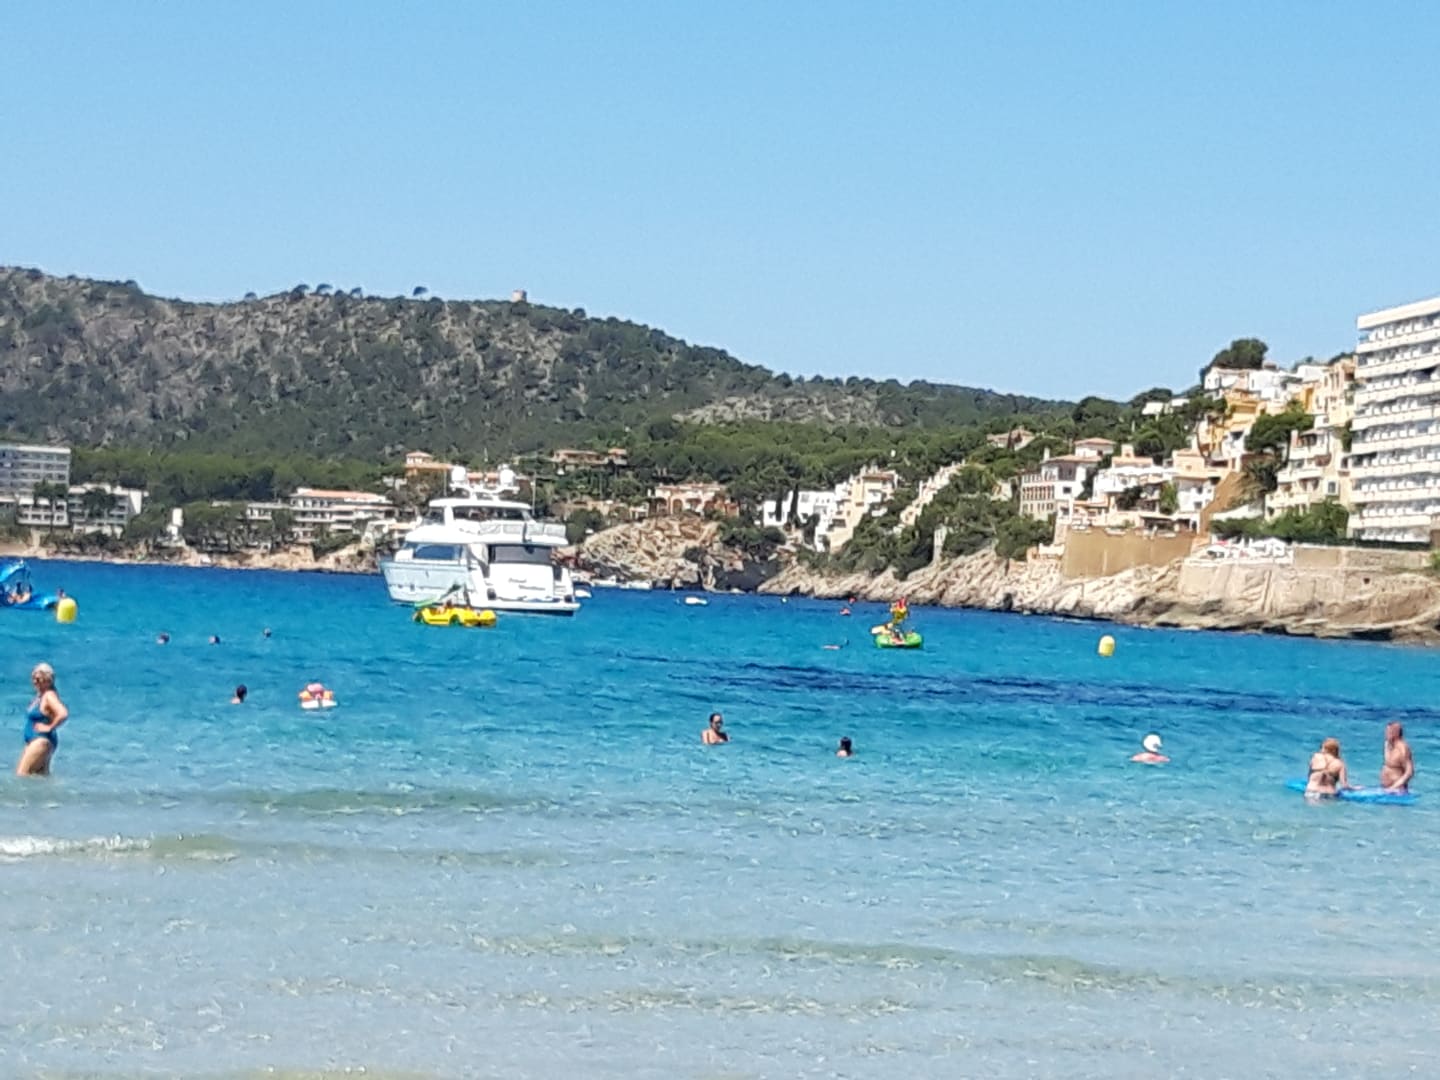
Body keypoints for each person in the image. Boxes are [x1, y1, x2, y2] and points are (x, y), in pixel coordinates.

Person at [17, 662, 67, 777]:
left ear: (48, 680)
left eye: (38, 679)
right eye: (33, 679)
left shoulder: (49, 696)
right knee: (39, 778)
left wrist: (49, 727)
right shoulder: (41, 696)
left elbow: (63, 713)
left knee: (22, 775)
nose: (35, 682)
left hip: (40, 741)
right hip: (38, 741)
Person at [1381, 722, 1414, 793]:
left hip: (1398, 790)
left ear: (1396, 733)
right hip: (1386, 788)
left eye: (1388, 732)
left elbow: (1409, 773)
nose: (1385, 734)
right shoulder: (1387, 744)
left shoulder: (1403, 749)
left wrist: (1393, 787)